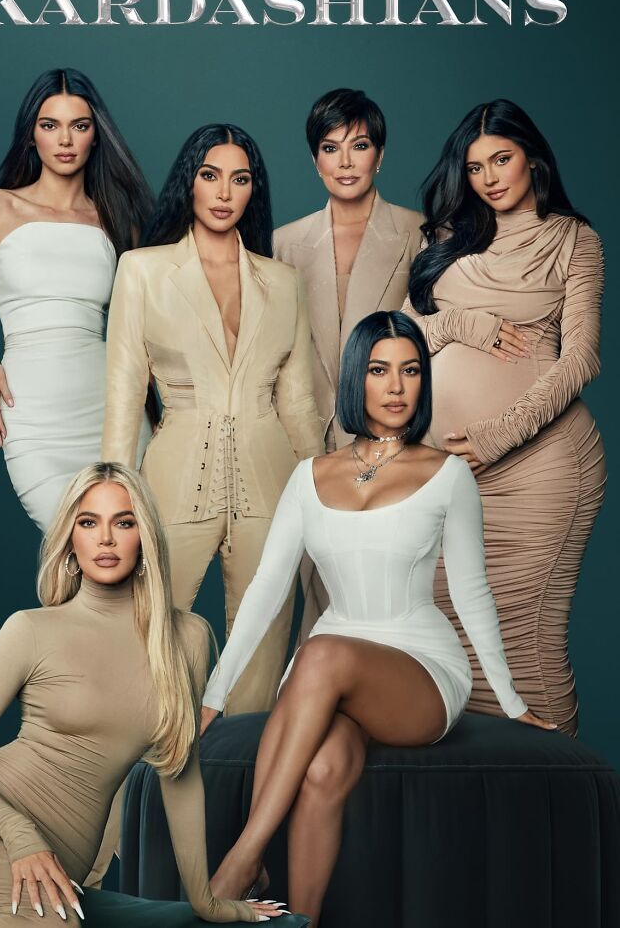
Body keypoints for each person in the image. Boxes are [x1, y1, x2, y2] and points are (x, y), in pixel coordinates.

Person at [199, 311, 554, 927]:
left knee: (320, 651)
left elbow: (472, 593)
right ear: (354, 379)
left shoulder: (448, 474)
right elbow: (265, 591)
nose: (396, 386)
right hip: (327, 678)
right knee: (324, 767)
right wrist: (213, 695)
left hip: (420, 671)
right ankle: (298, 921)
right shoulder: (309, 477)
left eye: (410, 371)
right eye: (379, 370)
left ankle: (240, 862)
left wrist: (512, 702)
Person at [0, 463, 285, 926]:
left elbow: (180, 773)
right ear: (70, 538)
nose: (106, 539)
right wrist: (18, 833)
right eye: (89, 522)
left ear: (145, 536)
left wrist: (205, 901)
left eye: (124, 522)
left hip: (61, 853)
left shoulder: (188, 639)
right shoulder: (31, 630)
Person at [102, 124, 325, 715]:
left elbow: (297, 402)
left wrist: (328, 495)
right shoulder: (142, 270)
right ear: (190, 183)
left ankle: (242, 771)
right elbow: (124, 395)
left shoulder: (283, 282)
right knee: (148, 641)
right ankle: (151, 772)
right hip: (173, 480)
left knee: (261, 654)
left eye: (240, 179)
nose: (225, 192)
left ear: (254, 189)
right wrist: (112, 495)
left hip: (272, 484)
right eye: (210, 175)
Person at [402, 98, 606, 735]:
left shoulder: (574, 239)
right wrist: (460, 324)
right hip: (448, 471)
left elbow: (581, 359)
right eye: (474, 167)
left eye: (501, 159)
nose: (489, 178)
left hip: (541, 468)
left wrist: (497, 435)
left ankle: (564, 790)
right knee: (447, 628)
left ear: (532, 159)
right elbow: (398, 340)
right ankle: (486, 791)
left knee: (527, 639)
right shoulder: (445, 239)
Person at [0, 68, 152, 532]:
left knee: (126, 547)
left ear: (95, 136)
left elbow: (147, 323)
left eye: (79, 126)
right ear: (31, 135)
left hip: (110, 405)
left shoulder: (115, 219)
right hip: (33, 407)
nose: (65, 140)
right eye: (50, 125)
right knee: (70, 540)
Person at [273, 89, 422, 634]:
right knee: (316, 595)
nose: (345, 161)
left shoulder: (420, 233)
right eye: (330, 147)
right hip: (305, 441)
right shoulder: (284, 243)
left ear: (379, 154)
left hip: (392, 441)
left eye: (358, 146)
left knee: (387, 594)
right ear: (315, 159)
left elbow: (433, 335)